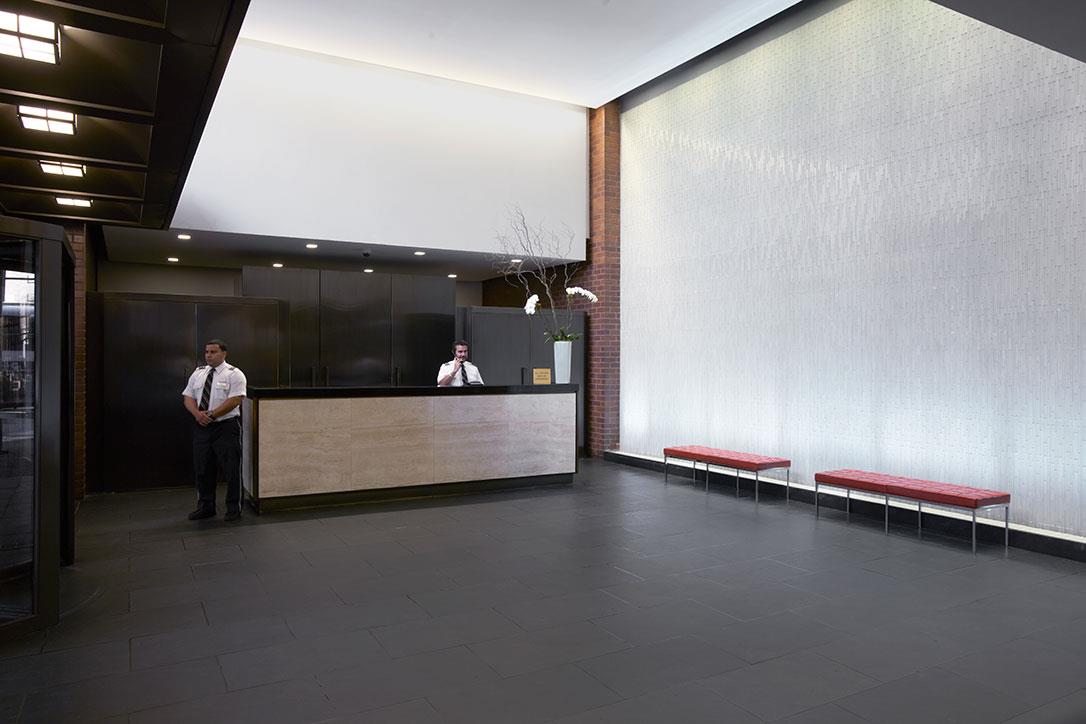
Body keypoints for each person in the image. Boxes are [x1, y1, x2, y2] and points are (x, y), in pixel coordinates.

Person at [182, 339, 247, 521]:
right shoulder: (198, 373)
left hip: (225, 427)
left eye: (213, 352)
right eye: (207, 352)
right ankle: (206, 507)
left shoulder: (234, 374)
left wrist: (211, 414)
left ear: (224, 354)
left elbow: (235, 399)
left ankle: (233, 509)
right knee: (202, 468)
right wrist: (197, 414)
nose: (208, 355)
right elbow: (188, 397)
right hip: (202, 427)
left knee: (231, 469)